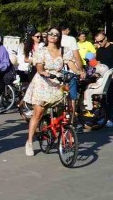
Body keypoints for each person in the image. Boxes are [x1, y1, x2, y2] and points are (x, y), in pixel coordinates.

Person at [24, 27, 83, 156]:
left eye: (56, 34)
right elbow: (39, 65)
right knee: (38, 114)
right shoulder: (41, 51)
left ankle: (63, 132)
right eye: (50, 34)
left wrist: (79, 71)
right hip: (43, 83)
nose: (53, 36)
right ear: (47, 36)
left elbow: (70, 64)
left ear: (59, 37)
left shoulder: (64, 50)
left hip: (58, 82)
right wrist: (42, 71)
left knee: (65, 111)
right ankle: (29, 142)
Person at [93, 31, 113, 127]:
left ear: (105, 38)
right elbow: (98, 64)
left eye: (100, 41)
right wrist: (96, 73)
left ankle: (110, 118)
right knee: (103, 98)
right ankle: (105, 117)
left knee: (111, 97)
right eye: (97, 42)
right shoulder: (99, 50)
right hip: (104, 77)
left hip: (112, 76)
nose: (99, 43)